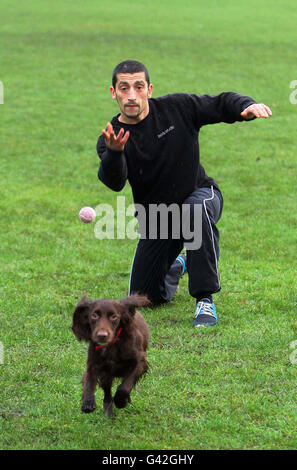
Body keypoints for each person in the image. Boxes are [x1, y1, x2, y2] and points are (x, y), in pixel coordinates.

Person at [96, 60, 272, 328]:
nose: (132, 95)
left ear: (149, 89)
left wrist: (244, 106)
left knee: (194, 210)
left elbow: (220, 102)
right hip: (158, 219)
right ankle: (178, 266)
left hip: (200, 195)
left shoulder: (177, 108)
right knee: (143, 297)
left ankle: (205, 299)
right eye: (124, 88)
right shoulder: (112, 137)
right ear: (114, 92)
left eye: (138, 87)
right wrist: (115, 153)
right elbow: (115, 182)